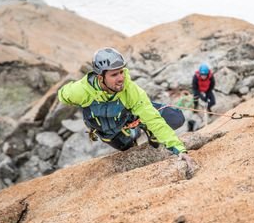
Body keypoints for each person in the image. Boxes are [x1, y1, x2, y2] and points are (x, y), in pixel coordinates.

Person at [57, 47, 193, 168]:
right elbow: (62, 95)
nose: (121, 78)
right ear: (100, 78)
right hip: (107, 131)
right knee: (128, 148)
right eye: (114, 74)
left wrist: (179, 149)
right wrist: (73, 90)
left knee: (175, 117)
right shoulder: (82, 91)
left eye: (121, 72)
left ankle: (149, 131)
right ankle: (132, 134)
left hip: (127, 118)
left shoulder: (130, 90)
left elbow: (153, 118)